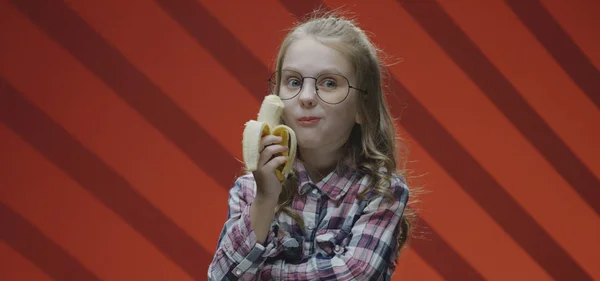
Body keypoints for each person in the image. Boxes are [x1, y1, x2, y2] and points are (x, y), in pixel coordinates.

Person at [208, 10, 414, 281]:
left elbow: (353, 275)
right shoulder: (250, 190)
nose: (306, 97)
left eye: (329, 83)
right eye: (293, 81)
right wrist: (266, 199)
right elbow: (221, 277)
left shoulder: (380, 192)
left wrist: (265, 274)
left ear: (362, 108)